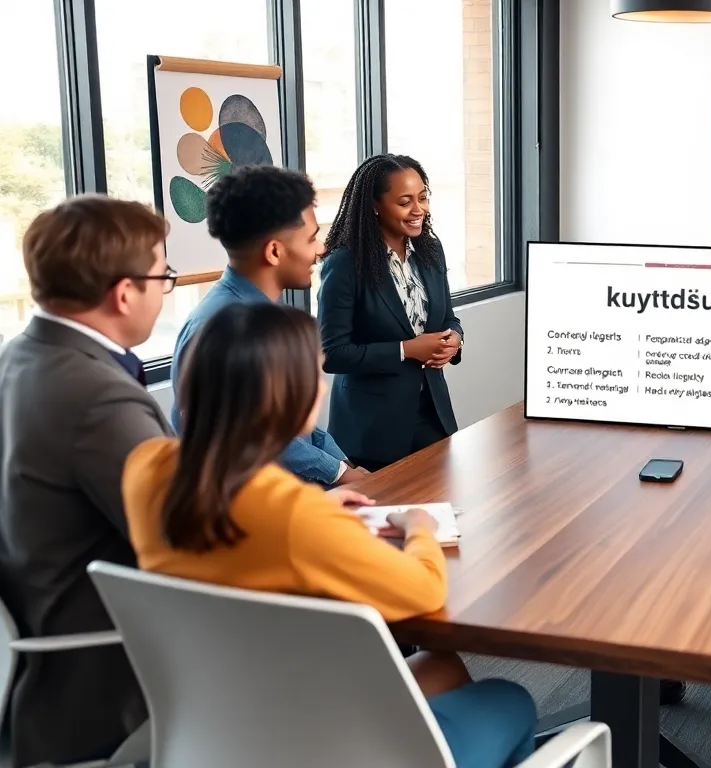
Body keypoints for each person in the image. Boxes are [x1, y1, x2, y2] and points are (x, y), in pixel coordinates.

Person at [122, 302, 538, 767]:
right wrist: (418, 528)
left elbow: (238, 528)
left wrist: (315, 507)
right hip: (315, 739)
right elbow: (424, 590)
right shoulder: (293, 515)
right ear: (285, 400)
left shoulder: (145, 470)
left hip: (216, 728)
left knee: (442, 665)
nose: (320, 386)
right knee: (509, 698)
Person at [0, 196, 174, 765]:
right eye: (163, 276)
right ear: (125, 293)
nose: (164, 288)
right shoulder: (96, 394)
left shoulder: (19, 358)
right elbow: (185, 533)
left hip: (43, 646)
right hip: (110, 673)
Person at [170, 164, 368, 488]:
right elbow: (260, 434)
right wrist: (339, 473)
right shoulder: (222, 329)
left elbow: (291, 424)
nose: (321, 250)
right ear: (275, 251)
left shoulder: (259, 313)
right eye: (312, 238)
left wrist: (344, 466)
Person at [317, 154, 464, 471]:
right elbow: (332, 354)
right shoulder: (344, 264)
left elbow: (448, 318)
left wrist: (455, 341)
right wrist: (405, 350)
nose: (418, 210)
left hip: (432, 418)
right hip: (371, 432)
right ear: (375, 205)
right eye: (404, 201)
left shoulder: (430, 250)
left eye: (423, 198)